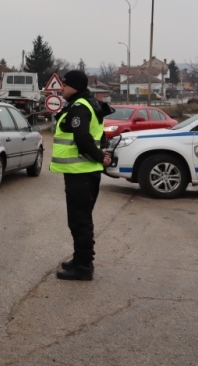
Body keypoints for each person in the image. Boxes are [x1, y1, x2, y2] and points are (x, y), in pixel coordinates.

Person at [50, 70, 113, 281]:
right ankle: (79, 259)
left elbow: (83, 139)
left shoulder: (80, 107)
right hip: (85, 172)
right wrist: (101, 153)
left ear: (75, 86)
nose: (61, 88)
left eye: (65, 85)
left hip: (81, 173)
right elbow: (100, 135)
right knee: (81, 218)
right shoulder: (91, 103)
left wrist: (99, 157)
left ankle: (83, 266)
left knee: (80, 221)